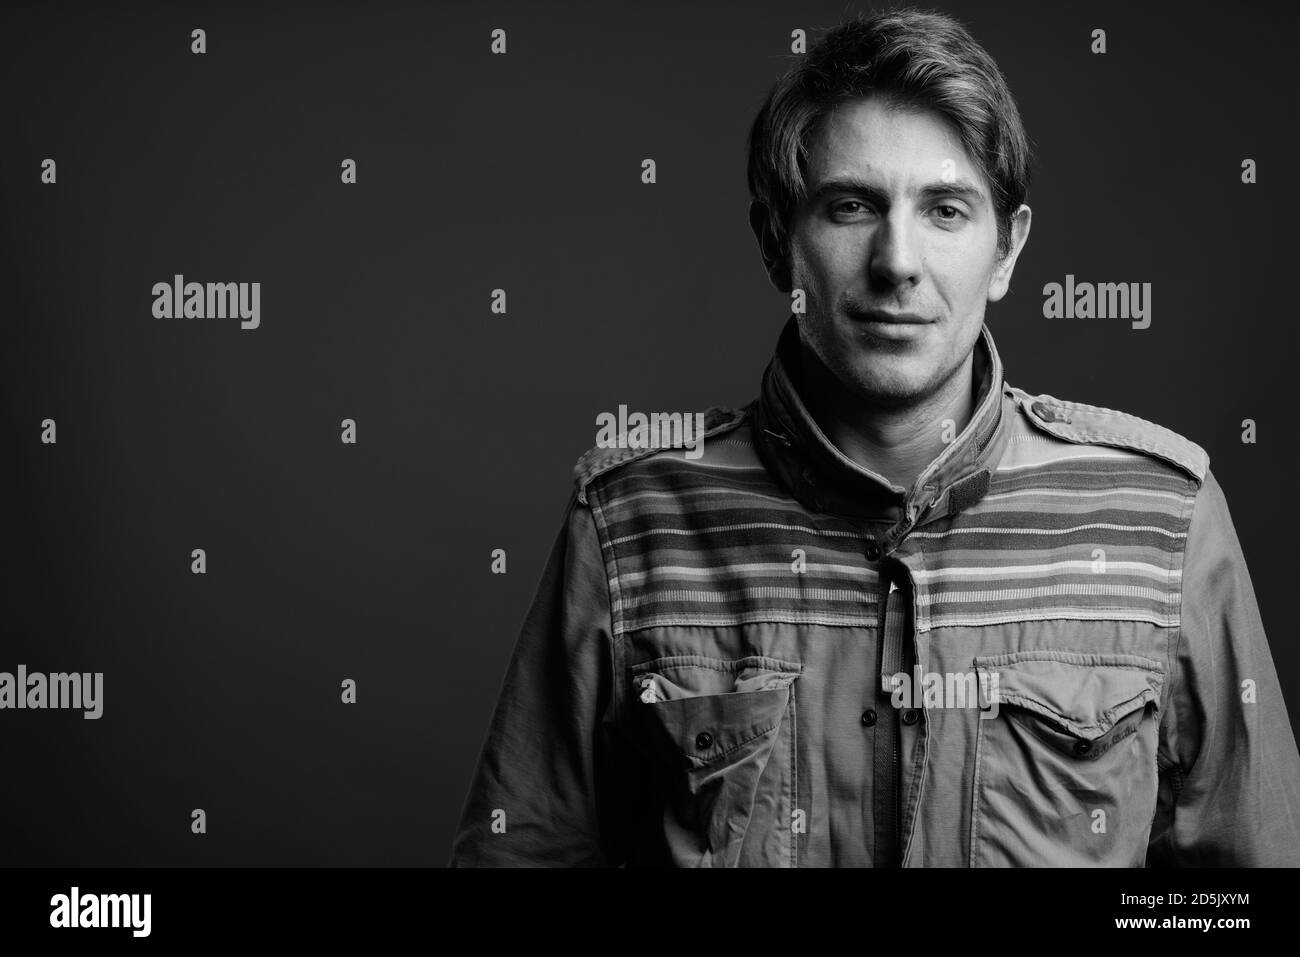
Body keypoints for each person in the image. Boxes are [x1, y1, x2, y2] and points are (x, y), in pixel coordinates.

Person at [448, 8, 1300, 867]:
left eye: (946, 210)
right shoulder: (629, 526)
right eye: (852, 206)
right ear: (777, 242)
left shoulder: (1162, 519)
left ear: (1007, 251)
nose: (897, 261)